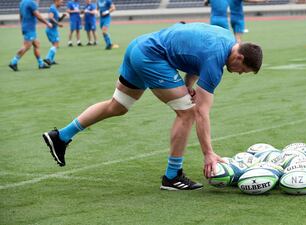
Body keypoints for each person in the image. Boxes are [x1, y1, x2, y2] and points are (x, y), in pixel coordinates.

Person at [42, 22, 263, 190]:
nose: (240, 74)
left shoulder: (225, 37)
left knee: (118, 106)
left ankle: (60, 136)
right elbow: (202, 112)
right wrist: (208, 153)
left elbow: (196, 53)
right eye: (243, 70)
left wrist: (187, 83)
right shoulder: (216, 63)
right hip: (152, 57)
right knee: (187, 113)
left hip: (139, 46)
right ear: (239, 57)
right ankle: (172, 176)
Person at [8, 0, 53, 71]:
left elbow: (20, 15)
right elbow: (38, 16)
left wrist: (22, 25)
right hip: (30, 28)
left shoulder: (22, 2)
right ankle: (13, 62)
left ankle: (41, 64)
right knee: (26, 46)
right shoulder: (31, 3)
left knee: (36, 44)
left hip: (27, 27)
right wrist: (47, 23)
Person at [44, 0, 66, 65]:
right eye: (61, 2)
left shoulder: (55, 9)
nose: (62, 3)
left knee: (55, 45)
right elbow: (50, 17)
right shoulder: (52, 8)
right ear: (56, 1)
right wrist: (58, 24)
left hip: (54, 30)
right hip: (51, 30)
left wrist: (63, 16)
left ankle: (51, 60)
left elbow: (57, 19)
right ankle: (48, 58)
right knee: (56, 45)